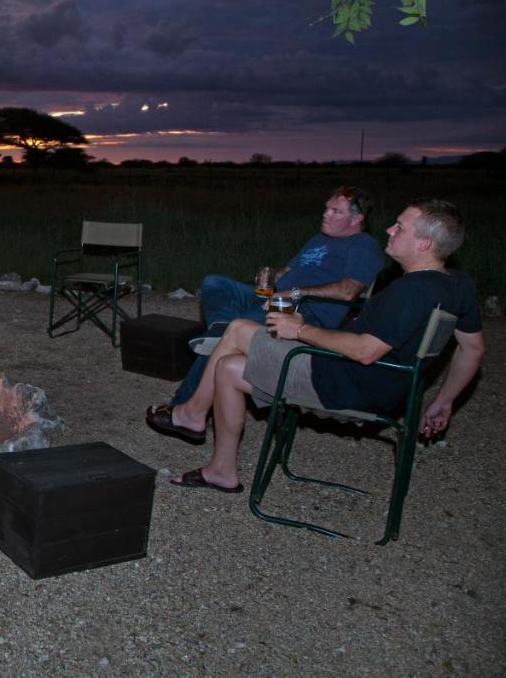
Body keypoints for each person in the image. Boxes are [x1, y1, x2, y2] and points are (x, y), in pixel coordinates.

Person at [146, 198, 485, 493]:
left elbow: (365, 351)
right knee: (228, 366)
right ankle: (221, 469)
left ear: (424, 244)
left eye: (400, 227)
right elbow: (473, 349)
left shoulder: (411, 291)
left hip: (341, 382)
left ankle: (191, 414)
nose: (390, 231)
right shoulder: (458, 285)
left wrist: (301, 330)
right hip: (377, 385)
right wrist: (443, 402)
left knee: (236, 330)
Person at [169, 186, 385, 405]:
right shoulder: (319, 238)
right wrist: (271, 274)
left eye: (336, 211)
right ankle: (221, 327)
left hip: (304, 312)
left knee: (229, 332)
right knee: (214, 282)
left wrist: (296, 293)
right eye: (326, 208)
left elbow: (348, 291)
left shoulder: (364, 245)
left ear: (357, 218)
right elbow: (291, 271)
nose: (326, 214)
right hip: (276, 297)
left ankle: (181, 405)